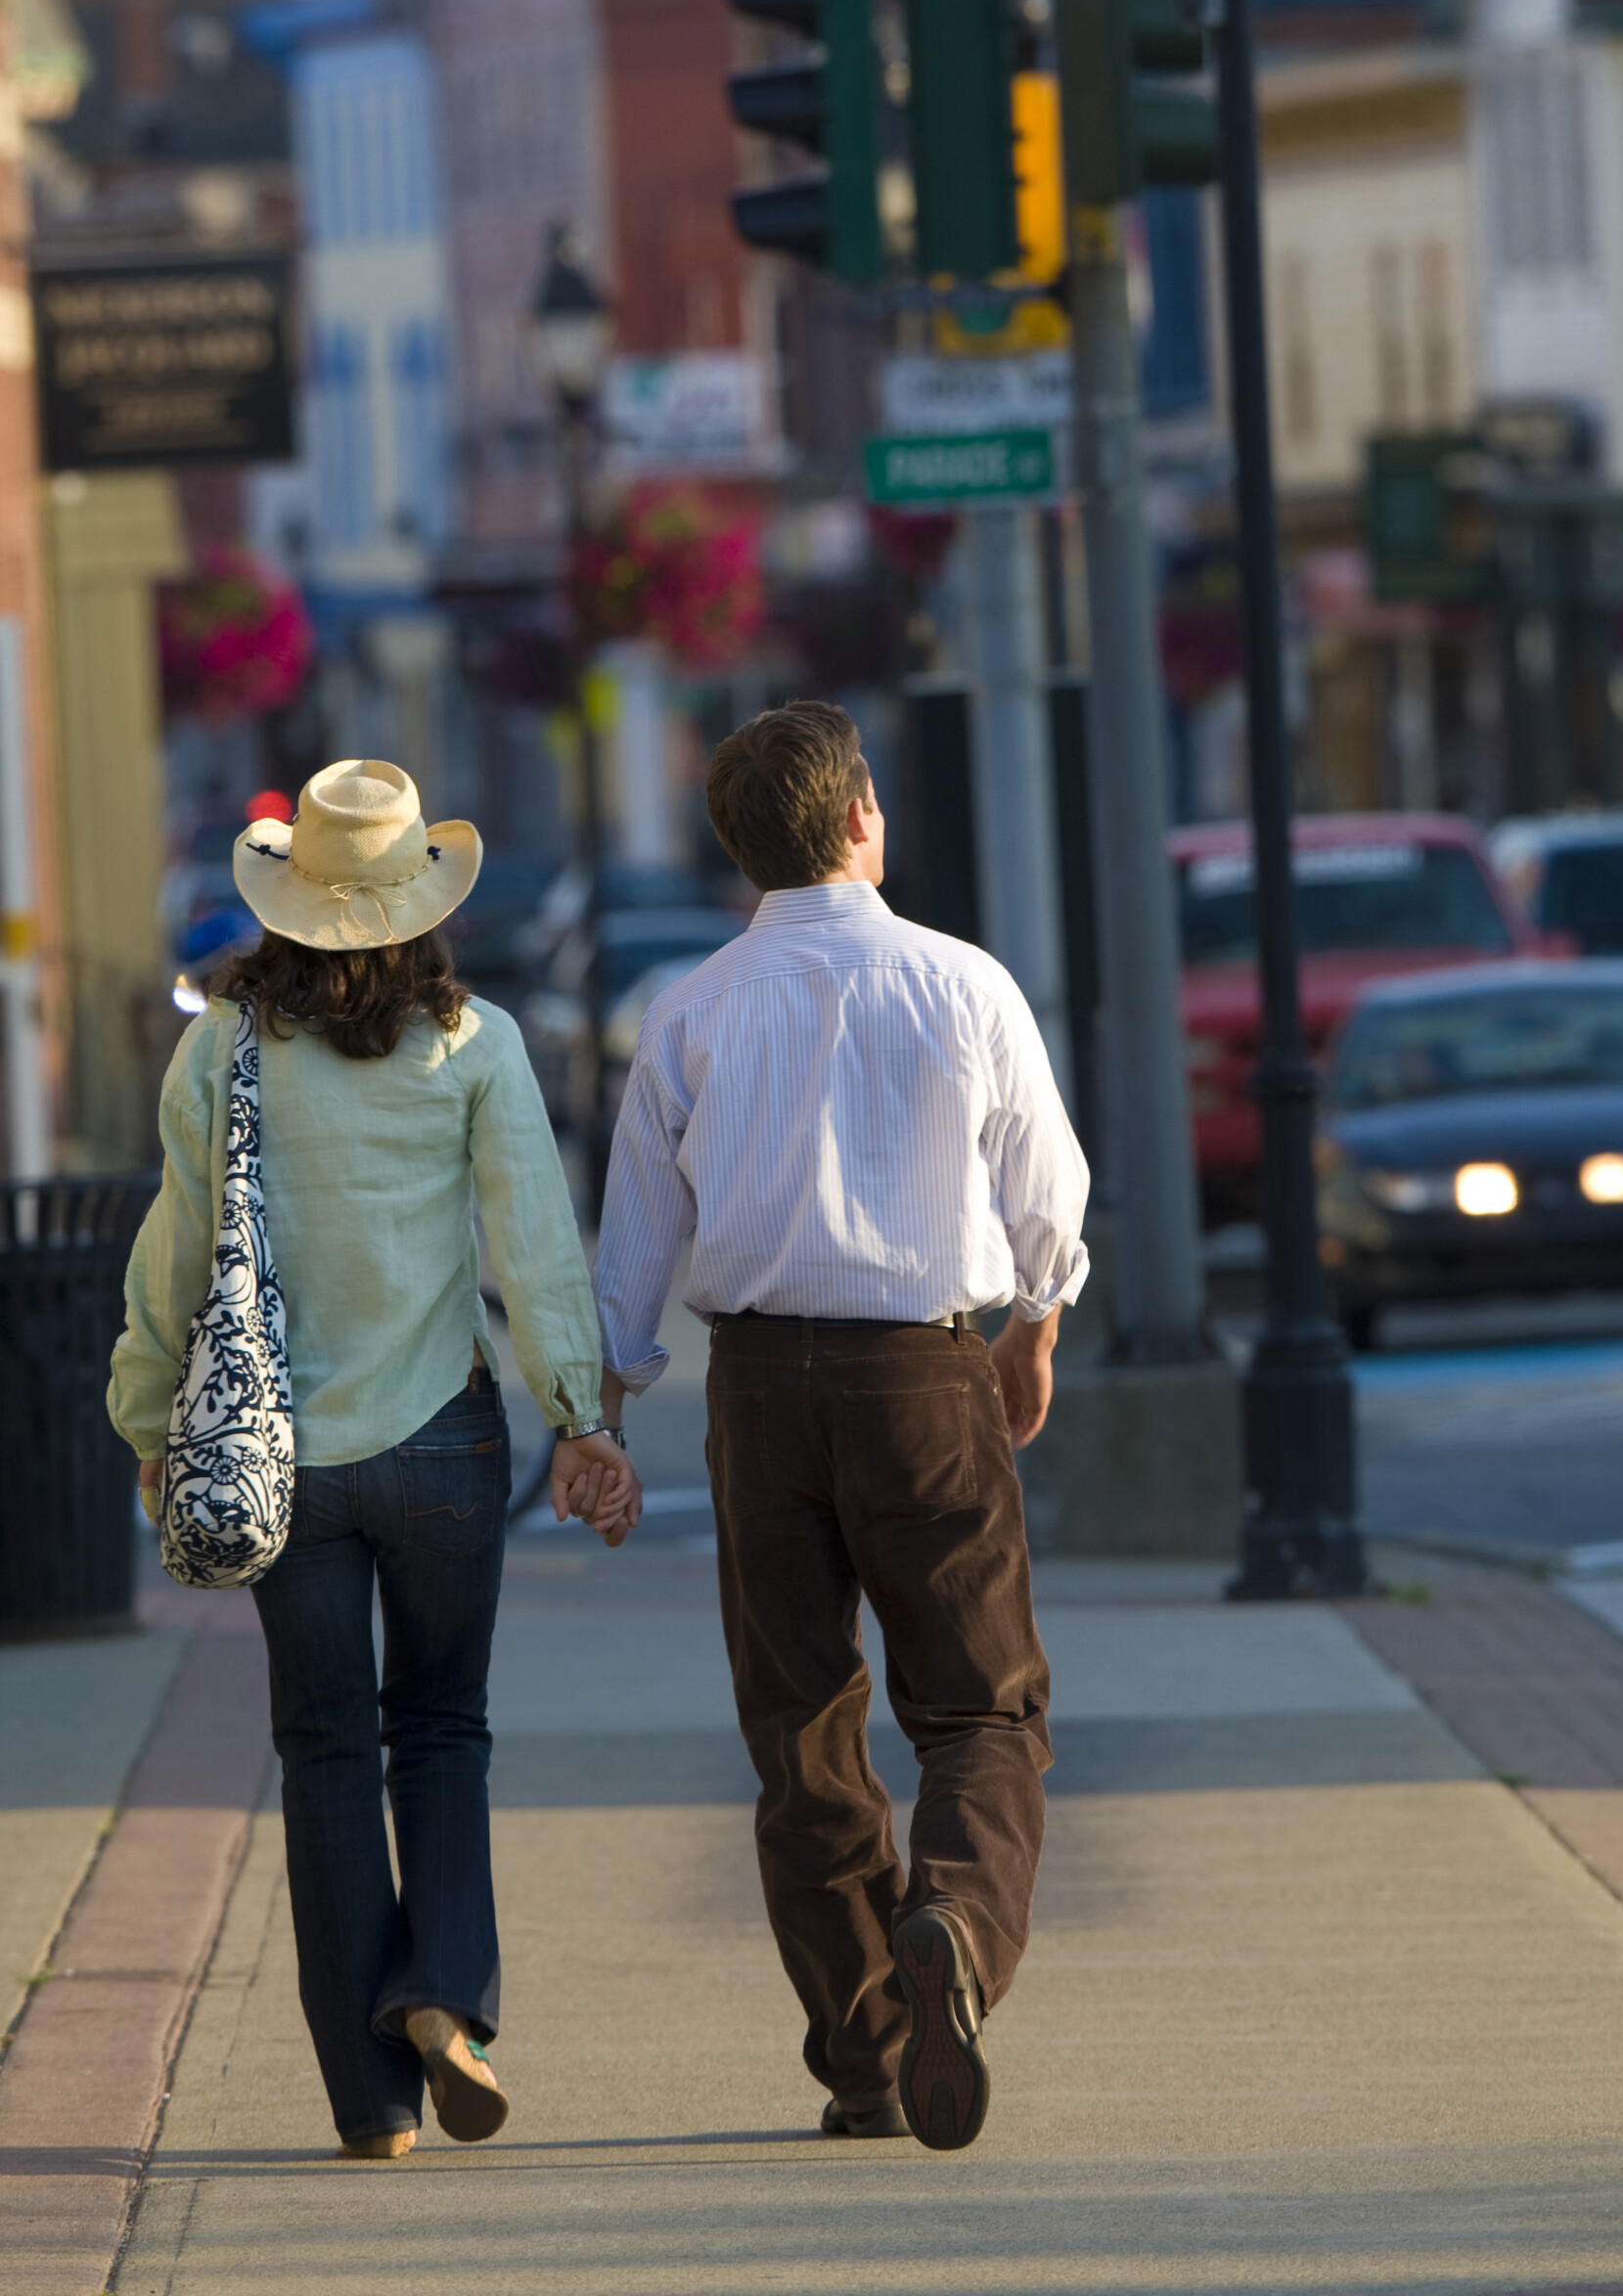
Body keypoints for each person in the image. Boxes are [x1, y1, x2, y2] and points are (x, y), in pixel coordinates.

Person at [110, 759, 641, 2160]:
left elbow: (174, 1257)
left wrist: (154, 1421)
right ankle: (446, 1996)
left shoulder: (221, 1049)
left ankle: (370, 2104)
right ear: (419, 901)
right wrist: (581, 1416)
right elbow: (533, 1244)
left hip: (285, 1460)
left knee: (327, 1750)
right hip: (444, 1443)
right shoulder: (477, 1042)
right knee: (443, 1730)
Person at [592, 700, 1088, 2150]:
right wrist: (1035, 1326)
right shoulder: (963, 985)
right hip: (923, 1374)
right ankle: (958, 1932)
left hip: (756, 1389)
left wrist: (602, 1413)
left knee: (803, 1733)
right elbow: (1046, 1201)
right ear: (864, 818)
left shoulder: (686, 1010)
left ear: (742, 851)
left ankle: (867, 2062)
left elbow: (634, 1248)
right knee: (983, 1706)